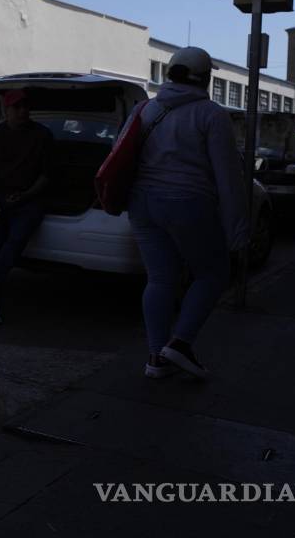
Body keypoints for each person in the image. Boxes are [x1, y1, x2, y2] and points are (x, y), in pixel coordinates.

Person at [126, 46, 248, 381]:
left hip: (142, 204)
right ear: (205, 78)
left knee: (160, 278)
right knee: (212, 274)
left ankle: (156, 357)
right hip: (188, 204)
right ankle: (180, 343)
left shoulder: (144, 110)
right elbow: (229, 180)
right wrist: (238, 235)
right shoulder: (211, 114)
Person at [0, 89, 52, 325]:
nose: (23, 111)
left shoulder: (42, 135)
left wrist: (26, 195)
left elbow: (46, 176)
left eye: (26, 106)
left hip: (29, 202)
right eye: (17, 107)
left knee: (15, 243)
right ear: (6, 110)